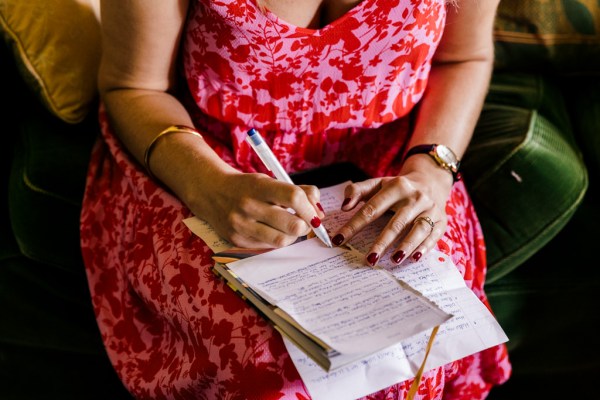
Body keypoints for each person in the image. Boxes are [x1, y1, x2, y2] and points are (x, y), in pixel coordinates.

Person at [81, 0, 511, 398]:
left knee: (417, 343)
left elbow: (464, 57)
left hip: (403, 159)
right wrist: (207, 184)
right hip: (206, 158)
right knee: (275, 360)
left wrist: (432, 169)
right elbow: (133, 87)